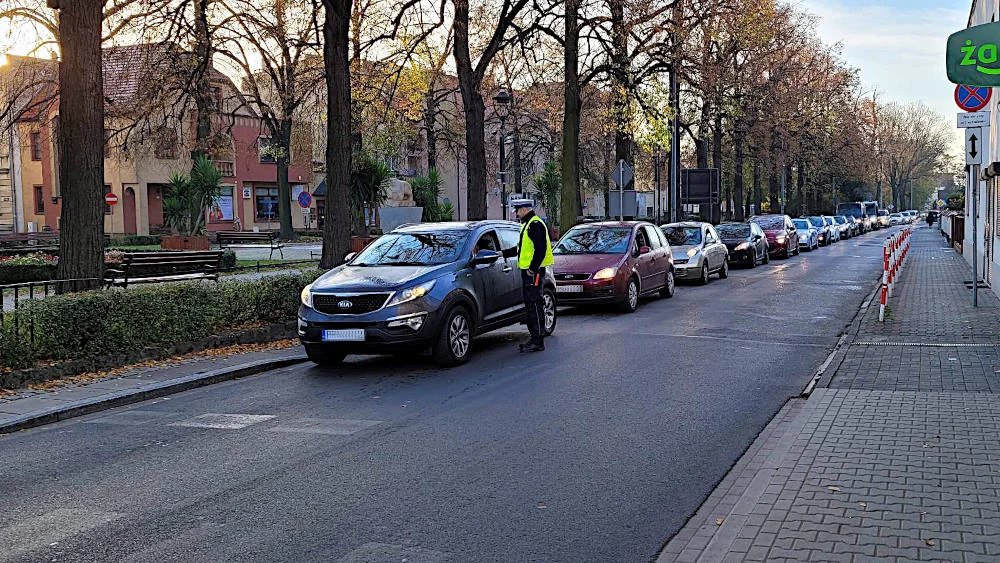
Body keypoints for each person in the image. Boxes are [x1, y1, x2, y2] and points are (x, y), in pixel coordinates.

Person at [509, 201, 554, 353]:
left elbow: (540, 249)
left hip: (533, 272)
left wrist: (532, 269)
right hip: (530, 271)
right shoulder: (528, 224)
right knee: (531, 304)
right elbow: (520, 248)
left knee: (535, 304)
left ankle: (537, 339)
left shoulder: (535, 224)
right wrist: (502, 253)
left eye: (518, 211)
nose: (516, 214)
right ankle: (535, 338)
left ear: (525, 209)